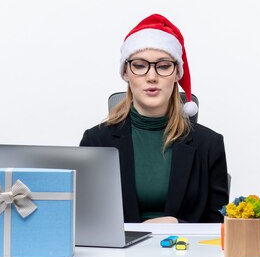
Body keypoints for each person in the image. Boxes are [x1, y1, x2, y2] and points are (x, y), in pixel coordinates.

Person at [80, 14, 229, 223]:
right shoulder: (96, 142)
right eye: (140, 66)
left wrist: (178, 226)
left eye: (164, 66)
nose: (152, 76)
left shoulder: (209, 145)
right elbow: (85, 221)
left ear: (177, 73)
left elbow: (219, 226)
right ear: (125, 73)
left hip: (187, 253)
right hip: (117, 254)